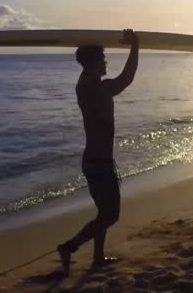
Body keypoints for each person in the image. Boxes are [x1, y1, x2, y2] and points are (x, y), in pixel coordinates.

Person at [58, 30, 140, 275]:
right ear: (94, 64)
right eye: (102, 59)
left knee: (102, 213)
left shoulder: (82, 86)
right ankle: (69, 247)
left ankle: (97, 259)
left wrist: (88, 53)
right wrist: (135, 46)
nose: (106, 63)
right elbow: (127, 77)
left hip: (93, 162)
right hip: (100, 164)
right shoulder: (98, 89)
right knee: (110, 216)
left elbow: (88, 68)